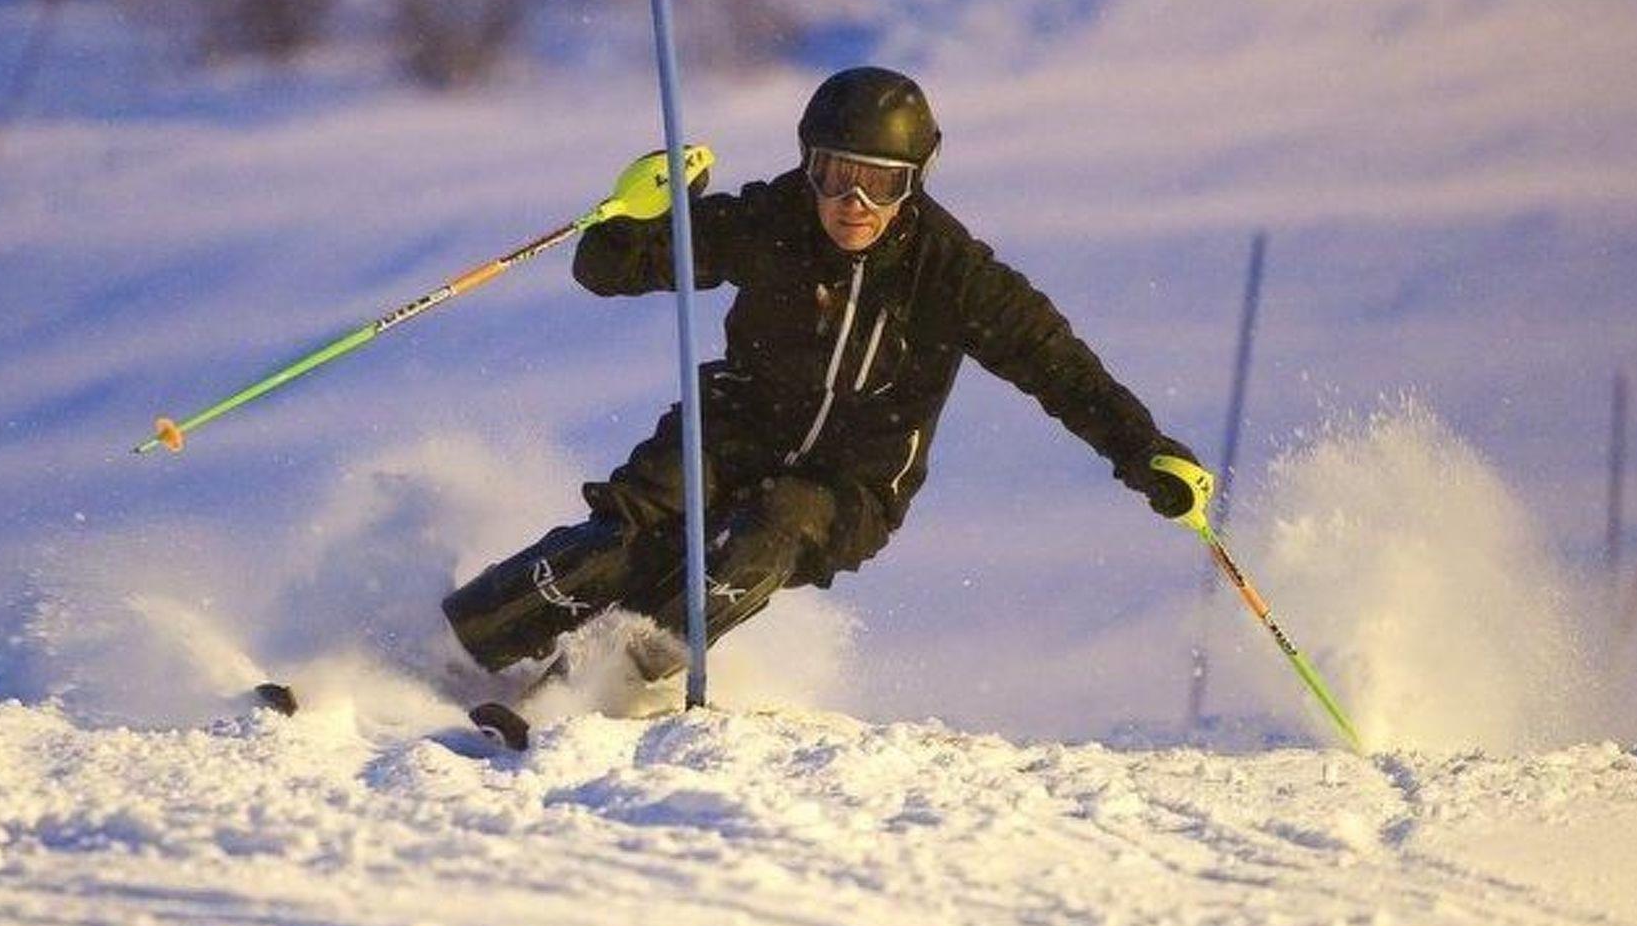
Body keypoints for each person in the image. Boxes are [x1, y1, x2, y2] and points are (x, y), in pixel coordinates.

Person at [442, 66, 1208, 688]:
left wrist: (1143, 452)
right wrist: (639, 213)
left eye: (882, 183)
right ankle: (451, 648)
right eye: (835, 175)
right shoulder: (776, 217)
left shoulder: (954, 274)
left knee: (760, 541)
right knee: (620, 542)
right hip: (731, 430)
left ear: (916, 182)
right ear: (808, 164)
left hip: (851, 481)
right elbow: (609, 271)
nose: (853, 203)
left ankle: (604, 683)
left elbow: (1060, 369)